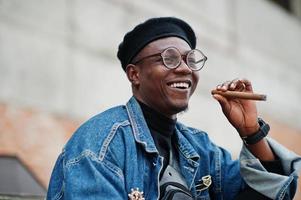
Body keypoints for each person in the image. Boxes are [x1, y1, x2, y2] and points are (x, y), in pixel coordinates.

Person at [47, 17, 301, 200]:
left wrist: (251, 132)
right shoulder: (100, 143)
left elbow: (269, 193)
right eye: (168, 58)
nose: (184, 68)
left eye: (190, 59)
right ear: (134, 74)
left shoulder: (201, 148)